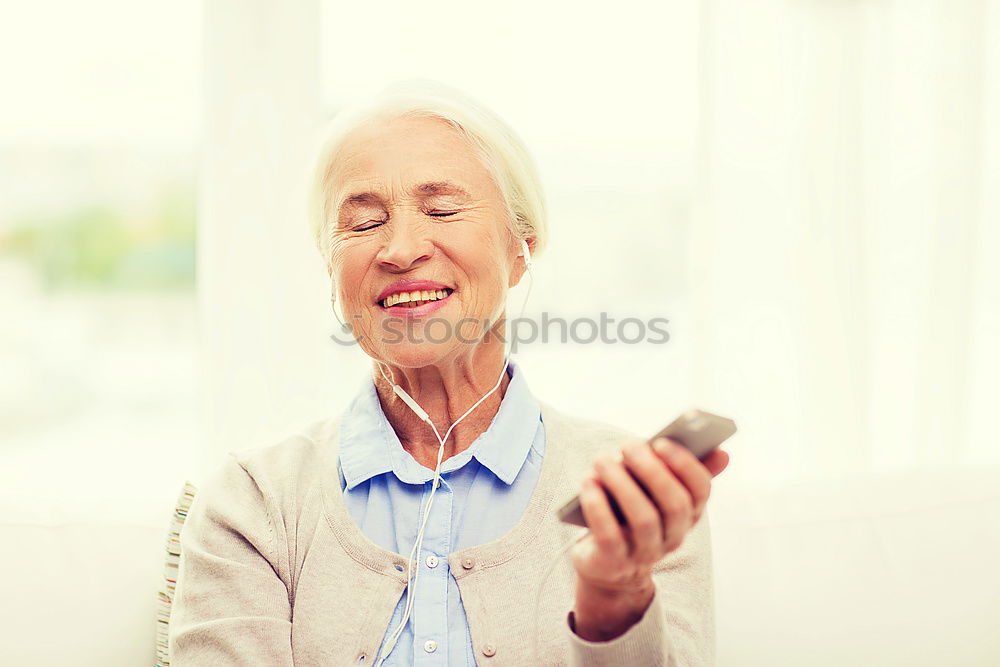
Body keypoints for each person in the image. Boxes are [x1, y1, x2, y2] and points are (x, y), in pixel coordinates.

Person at [169, 79, 730, 666]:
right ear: (329, 265)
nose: (401, 249)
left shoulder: (641, 502)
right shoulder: (253, 504)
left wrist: (616, 602)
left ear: (520, 248)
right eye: (362, 223)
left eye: (441, 209)